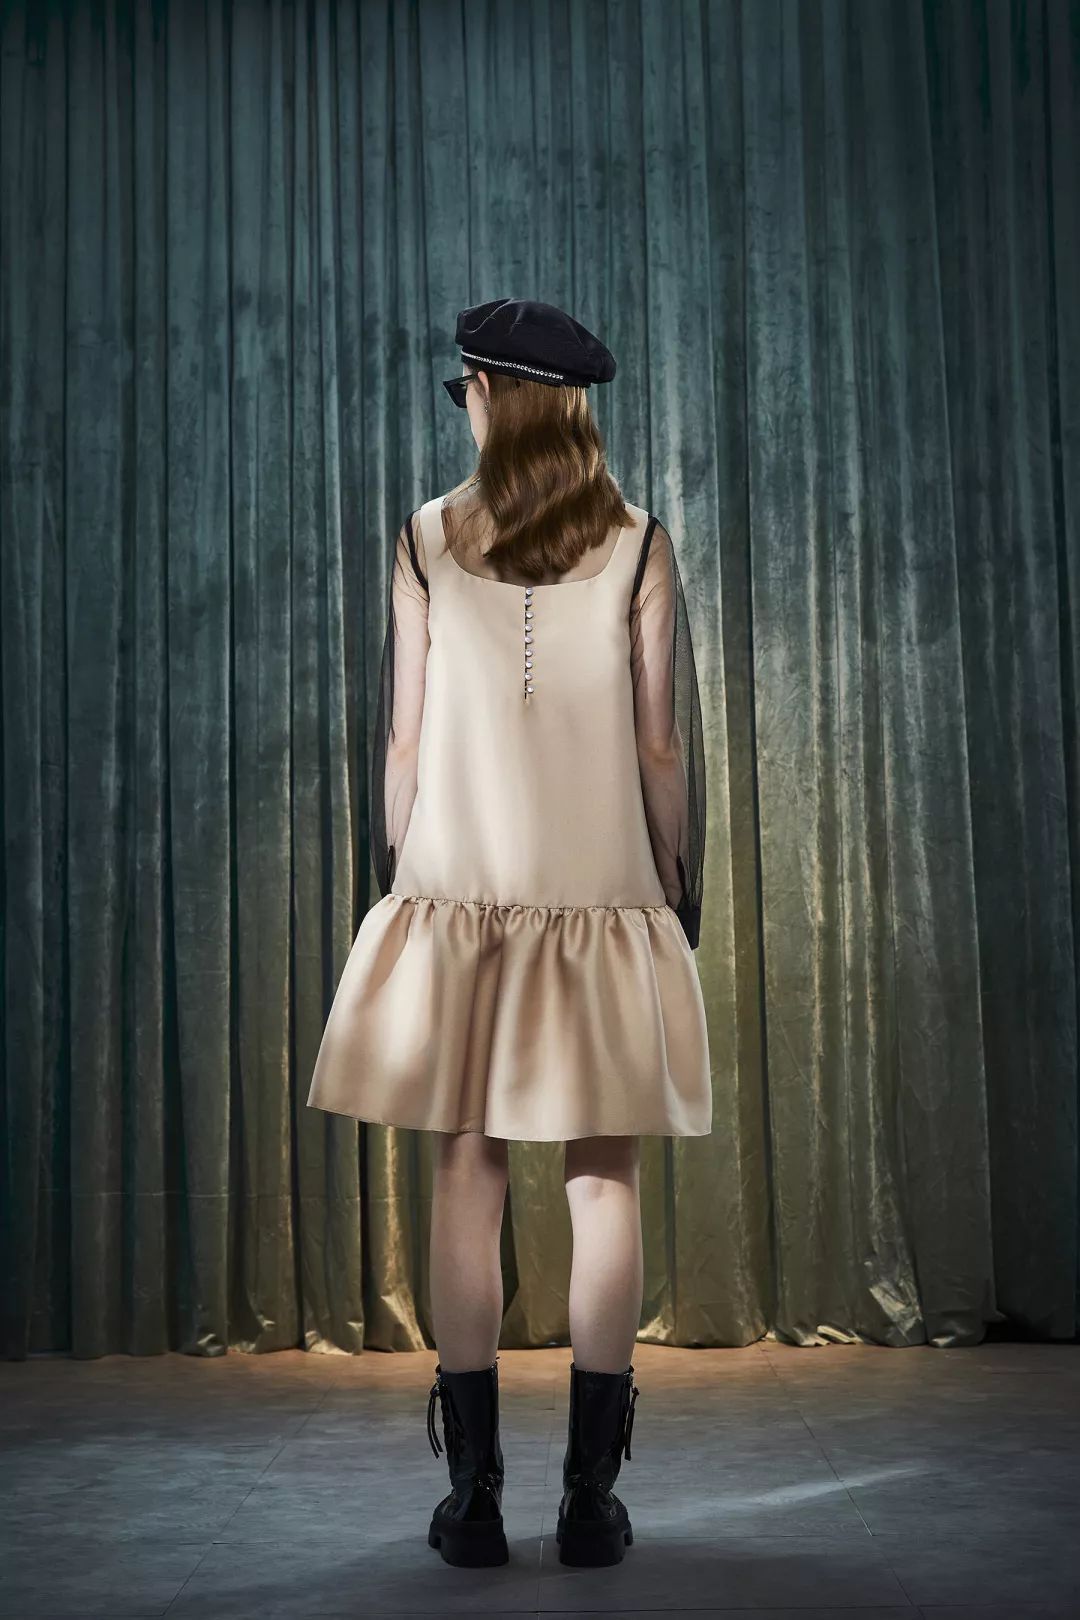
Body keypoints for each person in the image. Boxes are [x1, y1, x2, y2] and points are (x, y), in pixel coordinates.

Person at [307, 297, 711, 1570]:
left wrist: (400, 878)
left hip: (462, 896)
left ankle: (473, 1500)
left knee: (465, 1173)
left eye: (468, 390)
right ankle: (589, 1503)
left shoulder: (426, 537)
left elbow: (404, 740)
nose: (466, 409)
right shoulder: (640, 543)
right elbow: (659, 747)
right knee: (604, 1179)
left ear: (491, 396)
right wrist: (677, 881)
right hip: (601, 902)